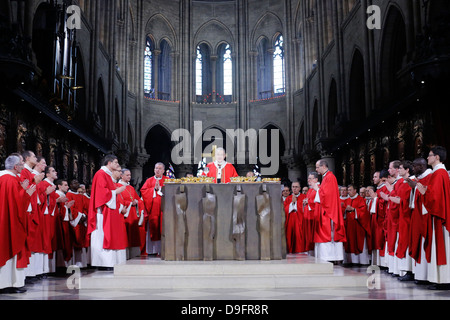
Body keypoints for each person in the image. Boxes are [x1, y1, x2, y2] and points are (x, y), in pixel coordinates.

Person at [0, 155, 35, 294]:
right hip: (11, 222)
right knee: (11, 246)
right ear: (15, 167)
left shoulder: (4, 178)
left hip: (4, 219)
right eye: (21, 164)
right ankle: (10, 283)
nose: (23, 166)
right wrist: (27, 193)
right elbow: (17, 204)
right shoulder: (10, 180)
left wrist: (22, 189)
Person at [417, 146, 450, 290]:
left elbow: (435, 198)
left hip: (438, 216)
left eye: (429, 155)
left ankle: (443, 280)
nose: (427, 158)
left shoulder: (438, 173)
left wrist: (423, 192)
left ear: (437, 157)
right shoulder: (440, 173)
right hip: (438, 214)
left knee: (441, 246)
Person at [87, 155, 127, 270]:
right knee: (102, 236)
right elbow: (101, 193)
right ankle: (103, 263)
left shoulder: (107, 175)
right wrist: (116, 192)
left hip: (108, 211)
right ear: (109, 163)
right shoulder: (101, 174)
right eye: (115, 162)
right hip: (102, 213)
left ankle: (108, 263)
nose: (116, 165)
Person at [312, 160, 346, 263]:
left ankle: (331, 257)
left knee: (329, 234)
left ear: (323, 166)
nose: (316, 170)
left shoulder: (330, 177)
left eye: (317, 167)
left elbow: (327, 196)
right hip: (327, 210)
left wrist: (316, 189)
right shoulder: (326, 177)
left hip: (329, 212)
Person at [406, 158, 432, 284]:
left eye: (415, 166)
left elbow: (430, 195)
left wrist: (416, 187)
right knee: (418, 243)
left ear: (421, 166)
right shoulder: (420, 178)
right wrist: (413, 187)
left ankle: (425, 276)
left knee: (424, 244)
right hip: (417, 214)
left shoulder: (430, 177)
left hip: (425, 216)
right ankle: (420, 275)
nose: (413, 169)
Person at [141, 162, 168, 256]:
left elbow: (171, 193)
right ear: (154, 169)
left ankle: (164, 250)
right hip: (152, 210)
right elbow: (143, 191)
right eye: (156, 168)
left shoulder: (167, 180)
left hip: (164, 210)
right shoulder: (149, 180)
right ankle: (152, 251)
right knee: (153, 227)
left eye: (160, 168)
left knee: (163, 228)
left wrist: (160, 189)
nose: (158, 170)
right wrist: (153, 190)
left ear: (163, 170)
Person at [117, 168, 145, 259]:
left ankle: (133, 254)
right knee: (125, 235)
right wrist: (129, 203)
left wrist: (137, 202)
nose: (129, 177)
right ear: (121, 175)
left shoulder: (131, 187)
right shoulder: (117, 186)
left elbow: (138, 199)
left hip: (132, 214)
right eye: (127, 175)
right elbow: (118, 201)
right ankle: (124, 254)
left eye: (130, 175)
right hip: (124, 214)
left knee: (133, 234)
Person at [395, 161, 414, 281]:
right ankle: (406, 270)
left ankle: (410, 270)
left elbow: (409, 201)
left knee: (408, 242)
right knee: (403, 242)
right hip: (402, 217)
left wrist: (399, 201)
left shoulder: (410, 182)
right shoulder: (403, 183)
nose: (399, 170)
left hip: (408, 218)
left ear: (407, 170)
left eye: (401, 168)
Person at [343, 184, 371, 265]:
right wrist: (345, 210)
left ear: (355, 190)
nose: (349, 192)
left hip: (358, 225)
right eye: (348, 190)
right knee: (349, 242)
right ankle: (350, 261)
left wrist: (354, 210)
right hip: (349, 225)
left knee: (358, 241)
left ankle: (361, 261)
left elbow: (364, 212)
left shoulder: (361, 199)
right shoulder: (347, 200)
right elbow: (343, 211)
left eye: (350, 190)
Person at [66, 180, 89, 268]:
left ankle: (81, 262)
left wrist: (84, 215)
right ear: (70, 185)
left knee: (81, 241)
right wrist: (79, 216)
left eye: (77, 182)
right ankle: (74, 262)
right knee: (75, 240)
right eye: (74, 183)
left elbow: (85, 206)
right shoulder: (69, 195)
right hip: (75, 222)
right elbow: (70, 208)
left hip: (82, 222)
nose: (77, 184)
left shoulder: (80, 195)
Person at [54, 179, 75, 270]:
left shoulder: (63, 195)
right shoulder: (57, 195)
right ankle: (60, 265)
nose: (68, 187)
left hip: (65, 222)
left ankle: (65, 264)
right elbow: (56, 210)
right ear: (59, 186)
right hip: (60, 222)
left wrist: (67, 208)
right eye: (65, 185)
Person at [283, 181, 306, 253]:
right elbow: (284, 209)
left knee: (299, 236)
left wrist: (296, 204)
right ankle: (290, 250)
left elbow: (304, 209)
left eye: (296, 187)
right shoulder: (288, 198)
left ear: (299, 188)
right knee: (290, 236)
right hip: (290, 220)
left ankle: (300, 250)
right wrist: (292, 204)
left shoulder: (304, 197)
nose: (294, 189)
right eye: (293, 187)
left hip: (300, 220)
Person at [304, 172, 319, 254]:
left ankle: (314, 252)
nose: (308, 180)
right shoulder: (310, 189)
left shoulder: (318, 189)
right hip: (308, 216)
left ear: (316, 179)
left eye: (311, 178)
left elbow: (318, 201)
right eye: (308, 178)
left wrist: (308, 201)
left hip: (314, 216)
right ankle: (310, 251)